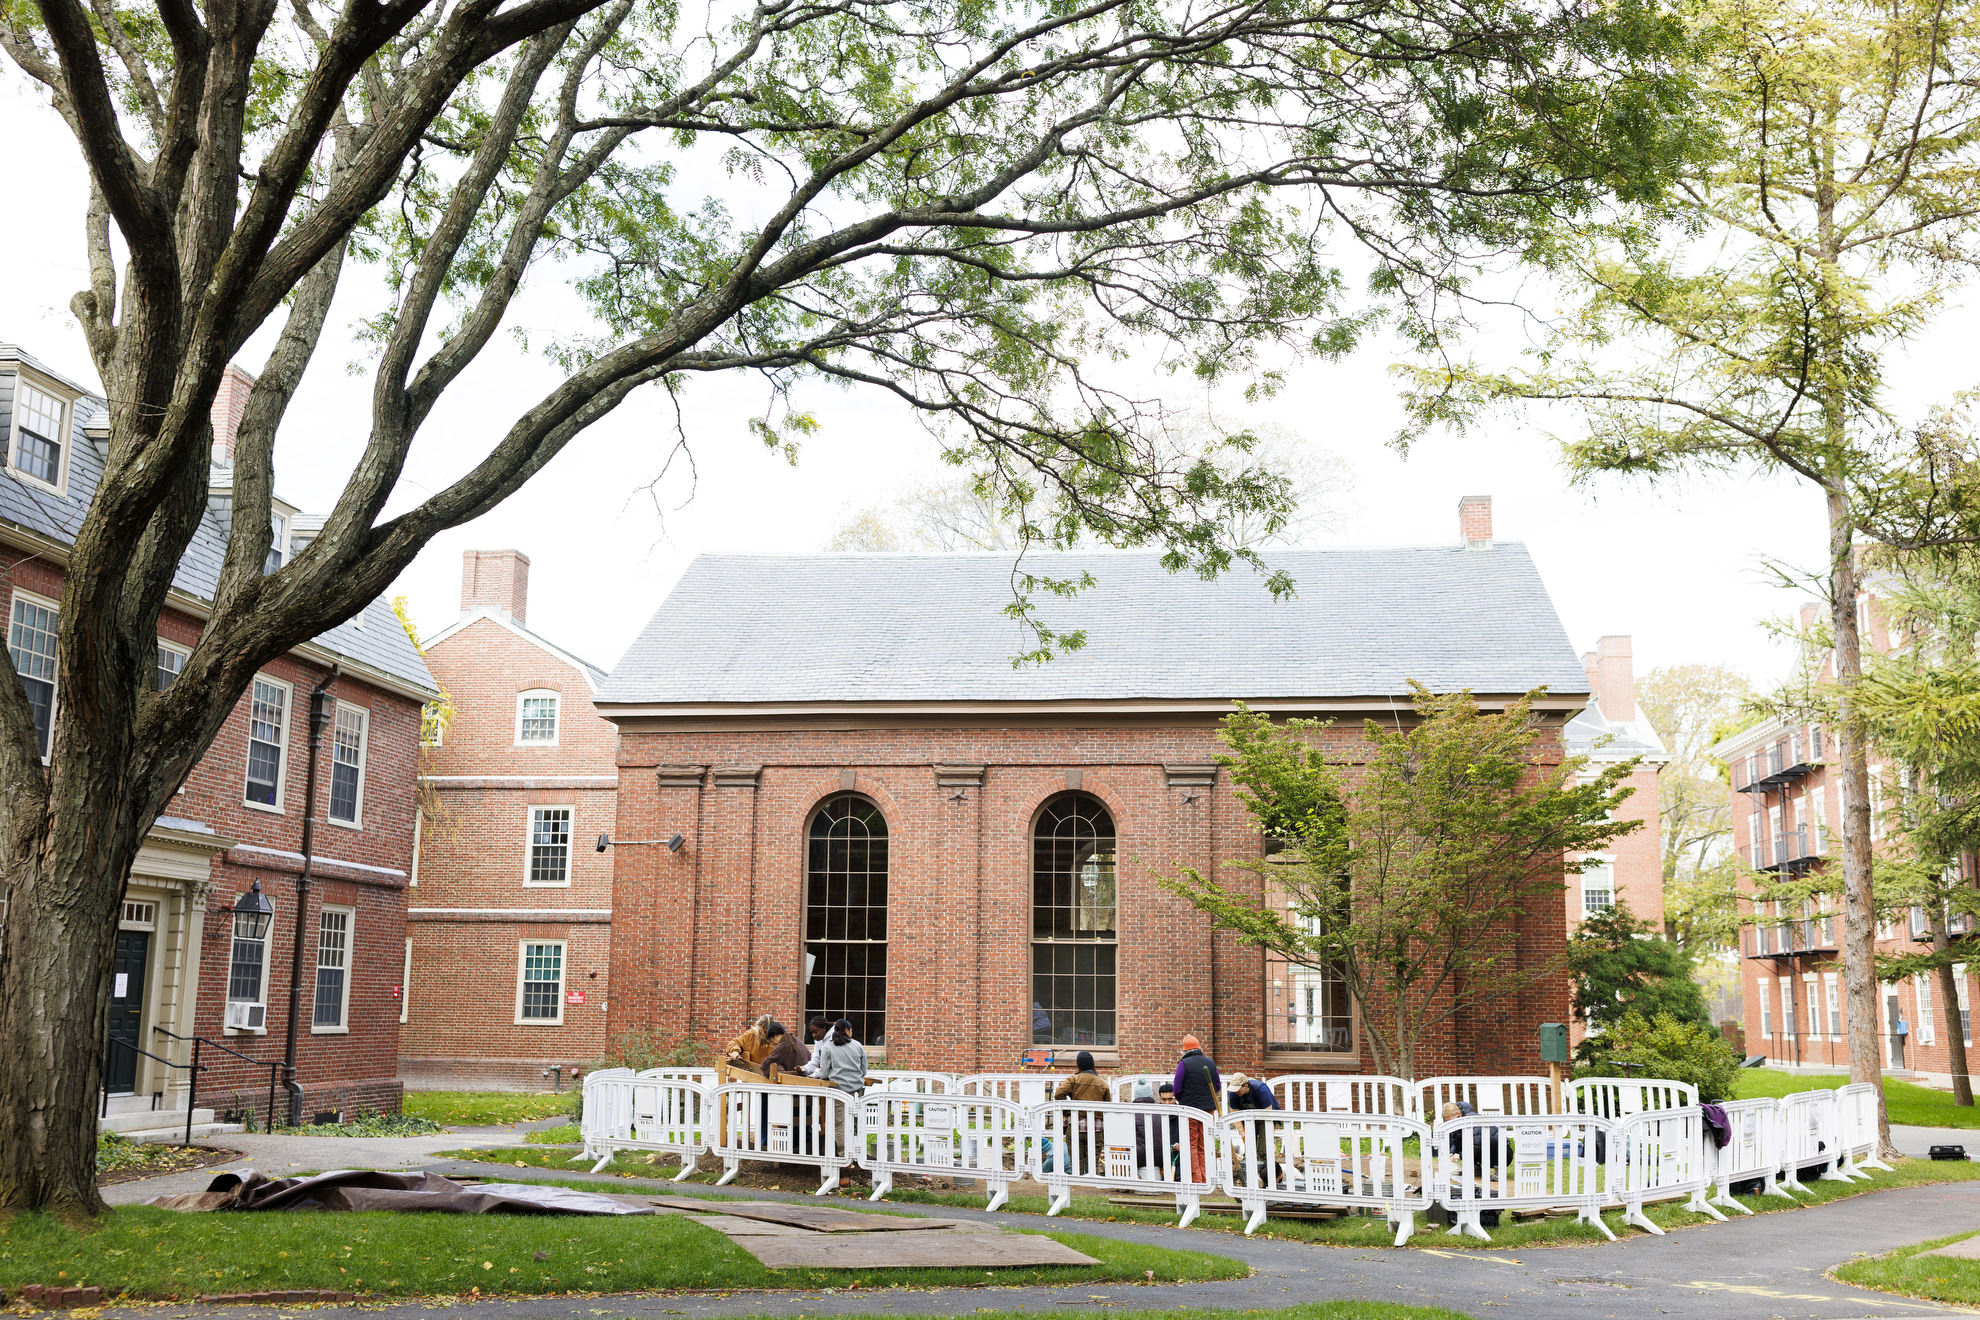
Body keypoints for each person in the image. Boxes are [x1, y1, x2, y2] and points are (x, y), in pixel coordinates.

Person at [1173, 1034, 1221, 1181]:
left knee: (1191, 1144)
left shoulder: (1184, 1064)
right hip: (1208, 1109)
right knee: (1205, 1143)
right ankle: (1206, 1178)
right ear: (1199, 1048)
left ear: (1184, 1051)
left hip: (1190, 1110)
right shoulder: (1210, 1063)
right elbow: (1217, 1086)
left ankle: (1197, 1179)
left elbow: (1177, 1089)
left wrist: (1183, 1099)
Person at [1132, 1080, 1182, 1180]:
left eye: (1170, 1099)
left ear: (1176, 1098)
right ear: (1159, 1098)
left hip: (1176, 1155)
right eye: (1164, 1100)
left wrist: (1181, 1144)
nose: (1167, 1103)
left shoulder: (1182, 1115)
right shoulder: (1155, 1113)